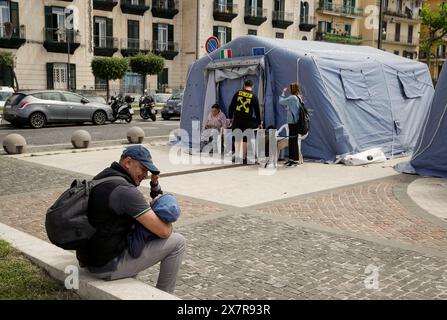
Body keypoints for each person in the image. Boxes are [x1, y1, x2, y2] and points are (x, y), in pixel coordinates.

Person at [76, 145, 185, 294]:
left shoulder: (104, 178)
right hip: (106, 266)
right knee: (178, 241)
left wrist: (154, 185)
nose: (145, 175)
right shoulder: (126, 191)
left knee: (137, 235)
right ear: (128, 162)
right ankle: (164, 296)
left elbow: (150, 206)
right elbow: (164, 231)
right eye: (143, 169)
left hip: (90, 258)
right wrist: (169, 226)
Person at [127, 193, 181, 259]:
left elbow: (134, 252)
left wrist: (128, 231)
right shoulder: (162, 224)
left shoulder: (144, 227)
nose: (158, 194)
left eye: (159, 197)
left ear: (158, 208)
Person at [228, 79, 262, 164]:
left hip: (237, 119)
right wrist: (259, 123)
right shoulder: (254, 96)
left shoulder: (238, 93)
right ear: (252, 86)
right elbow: (257, 111)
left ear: (244, 85)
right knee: (245, 139)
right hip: (247, 120)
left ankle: (236, 157)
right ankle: (243, 158)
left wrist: (230, 117)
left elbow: (231, 105)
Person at [279, 82, 303, 167]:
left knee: (293, 141)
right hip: (295, 122)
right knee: (292, 141)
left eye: (290, 88)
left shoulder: (292, 97)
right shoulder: (299, 97)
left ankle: (295, 160)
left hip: (293, 122)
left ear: (292, 89)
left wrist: (283, 92)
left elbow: (281, 101)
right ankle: (291, 159)